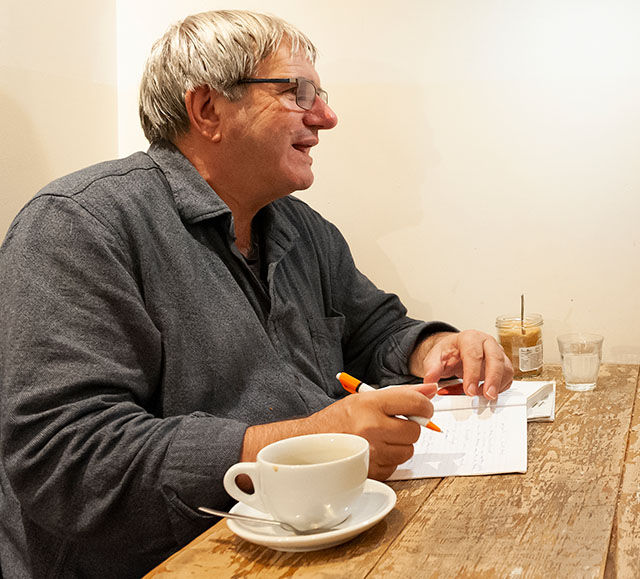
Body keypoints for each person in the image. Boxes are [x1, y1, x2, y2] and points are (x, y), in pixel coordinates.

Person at [0, 10, 513, 578]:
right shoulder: (79, 225)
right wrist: (307, 441)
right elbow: (65, 456)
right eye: (297, 92)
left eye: (319, 95)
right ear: (207, 109)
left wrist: (434, 347)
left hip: (310, 539)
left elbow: (374, 331)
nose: (327, 117)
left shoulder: (303, 229)